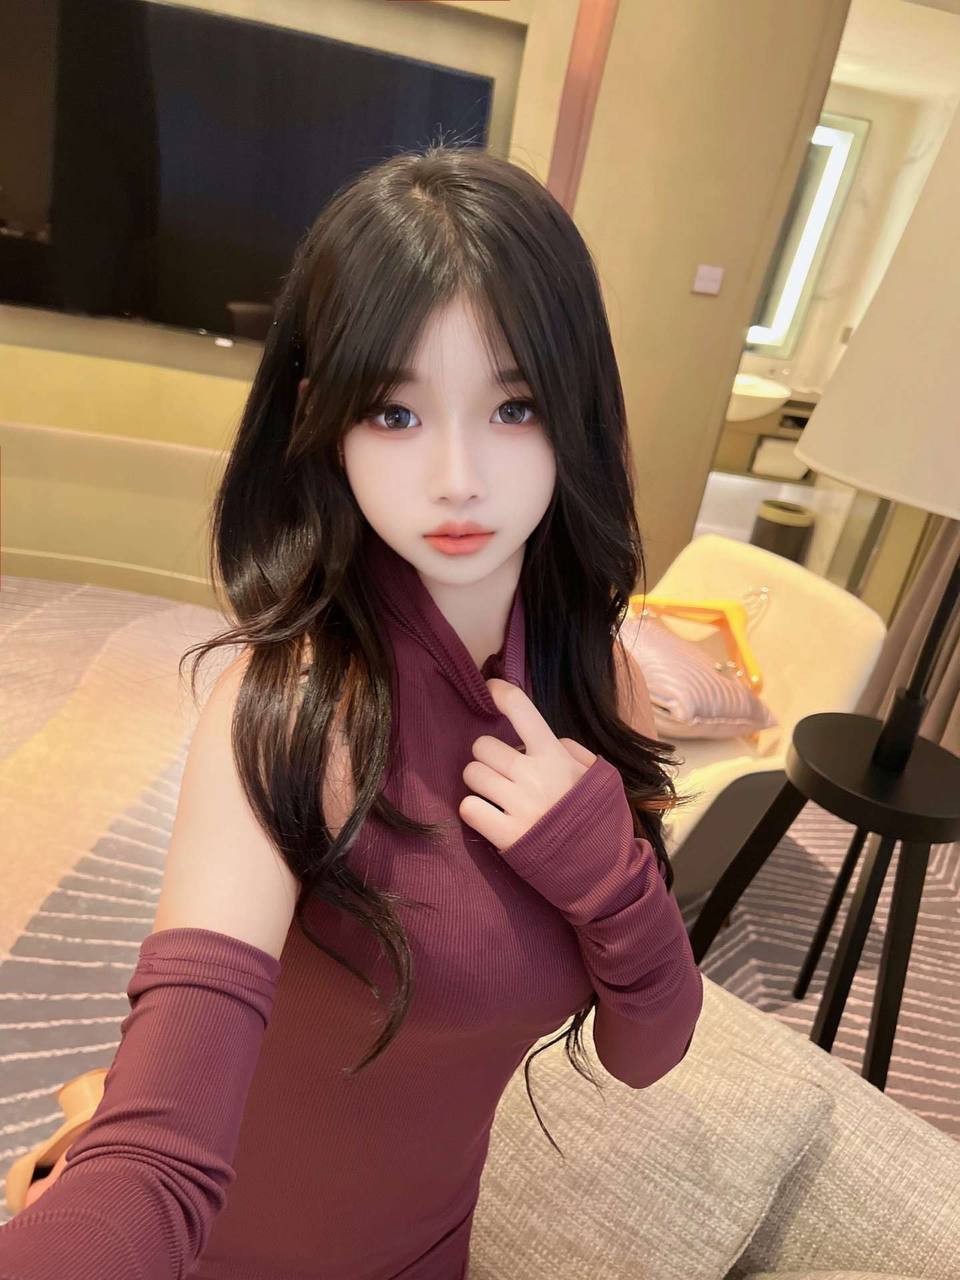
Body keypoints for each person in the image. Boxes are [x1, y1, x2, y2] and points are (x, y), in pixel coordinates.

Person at [1, 141, 703, 1279]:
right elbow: (161, 1157)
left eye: (513, 405)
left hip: (427, 1248)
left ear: (576, 410)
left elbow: (649, 1047)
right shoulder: (285, 711)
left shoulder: (601, 683)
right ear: (322, 419)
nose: (459, 476)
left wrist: (607, 872)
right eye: (394, 413)